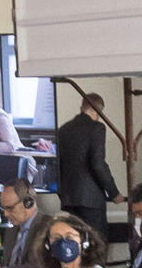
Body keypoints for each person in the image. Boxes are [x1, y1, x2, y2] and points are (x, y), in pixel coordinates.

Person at [50, 91, 118, 228]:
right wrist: (114, 192)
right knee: (96, 243)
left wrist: (62, 194)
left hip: (69, 200)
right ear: (98, 110)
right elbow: (98, 164)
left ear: (82, 107)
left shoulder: (63, 130)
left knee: (75, 241)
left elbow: (58, 165)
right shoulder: (97, 128)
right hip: (91, 200)